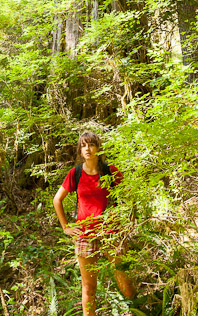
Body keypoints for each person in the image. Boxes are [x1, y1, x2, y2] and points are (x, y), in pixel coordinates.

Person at [53, 131, 136, 315]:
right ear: (80, 150)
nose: (87, 149)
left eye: (91, 144)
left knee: (125, 282)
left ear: (98, 147)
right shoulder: (75, 173)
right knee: (89, 289)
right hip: (85, 236)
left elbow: (129, 196)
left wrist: (128, 221)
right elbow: (57, 200)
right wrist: (66, 227)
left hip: (112, 234)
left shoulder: (110, 171)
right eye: (83, 145)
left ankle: (135, 310)